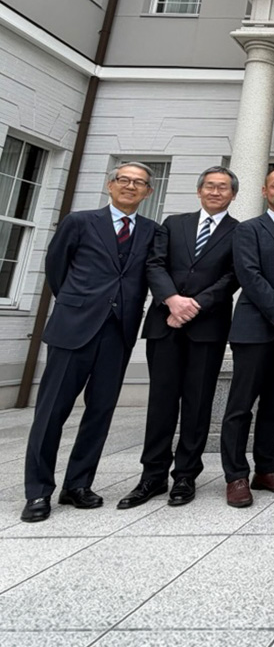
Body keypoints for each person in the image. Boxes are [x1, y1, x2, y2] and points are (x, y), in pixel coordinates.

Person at [21, 163, 156, 522]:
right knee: (51, 411)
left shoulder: (151, 231)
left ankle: (77, 484)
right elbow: (57, 268)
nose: (130, 186)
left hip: (118, 332)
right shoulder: (79, 222)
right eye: (124, 180)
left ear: (148, 192)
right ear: (110, 185)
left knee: (99, 412)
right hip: (73, 329)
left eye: (139, 183)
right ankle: (38, 490)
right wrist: (79, 303)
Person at [118, 166, 239, 509]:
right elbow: (154, 264)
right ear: (199, 191)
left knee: (198, 404)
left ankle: (185, 475)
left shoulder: (239, 231)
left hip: (207, 327)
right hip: (165, 324)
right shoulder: (173, 224)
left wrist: (194, 305)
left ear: (233, 195)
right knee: (161, 402)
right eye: (210, 186)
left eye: (223, 187)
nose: (215, 192)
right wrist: (172, 300)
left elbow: (233, 276)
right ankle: (152, 475)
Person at [221, 166, 274, 508]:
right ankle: (236, 476)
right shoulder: (248, 230)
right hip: (254, 329)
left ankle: (267, 469)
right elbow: (249, 274)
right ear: (264, 191)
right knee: (240, 405)